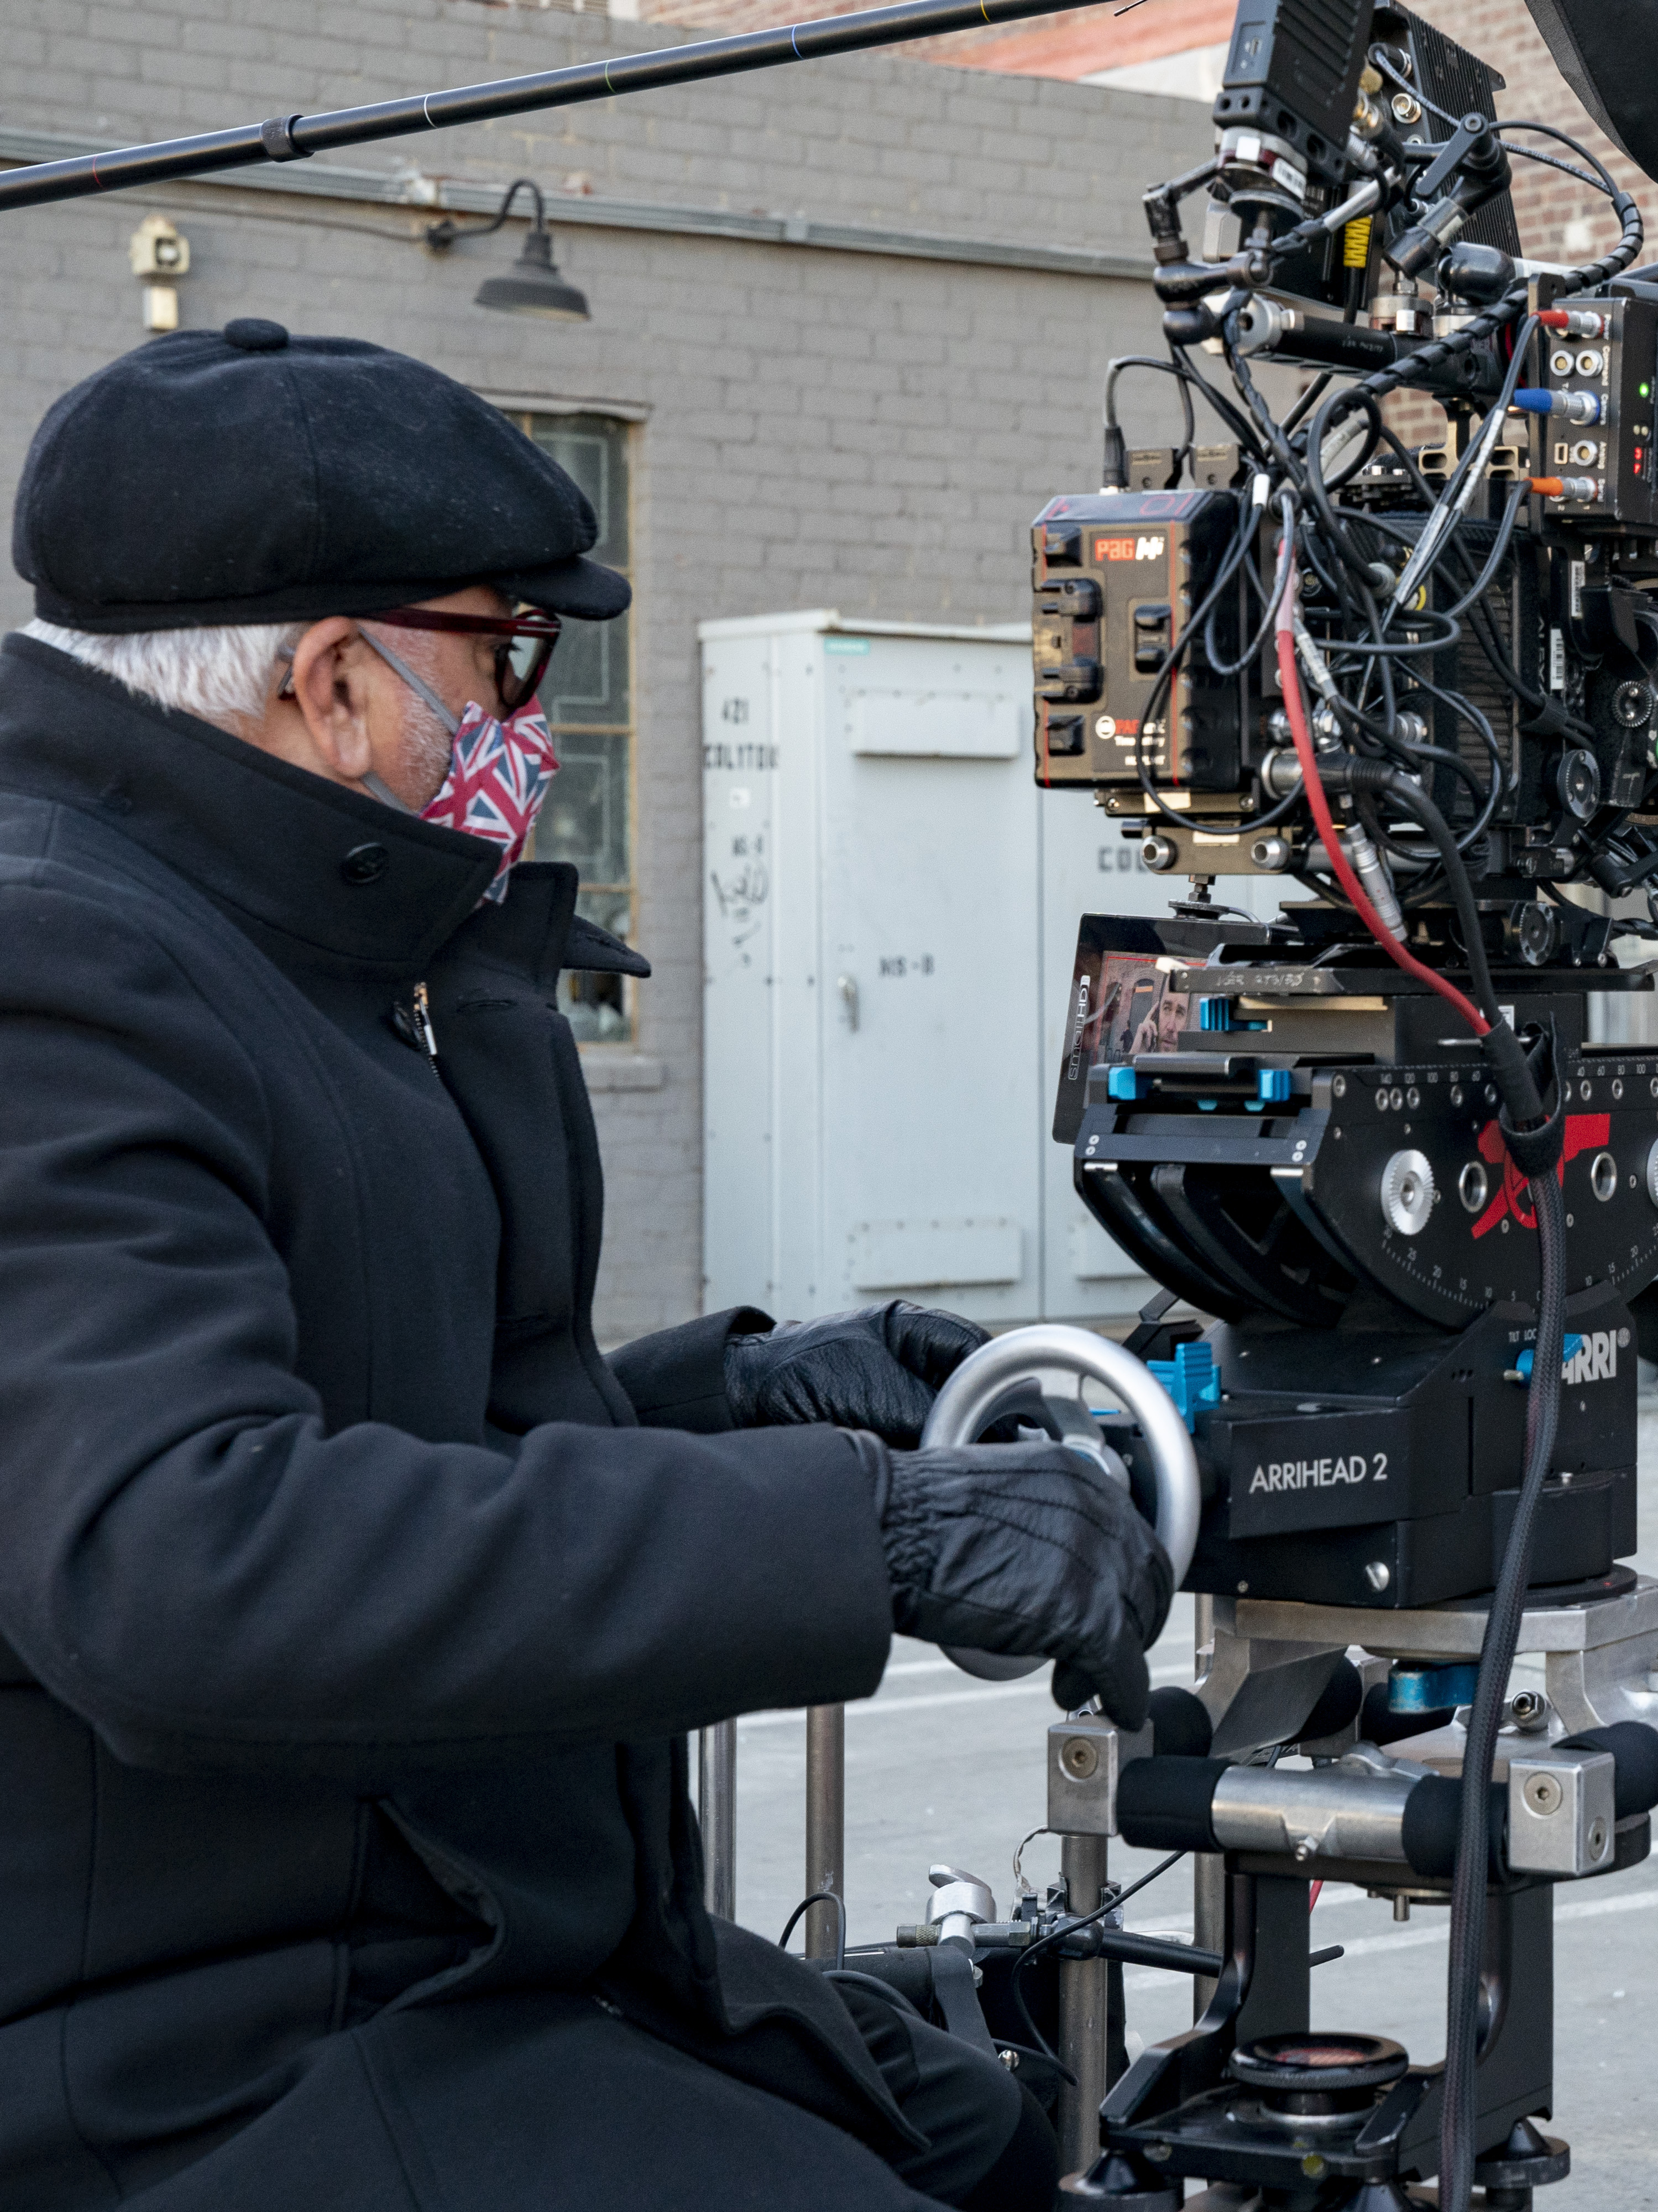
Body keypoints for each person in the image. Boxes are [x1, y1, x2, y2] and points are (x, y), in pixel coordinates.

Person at [0, 322, 1168, 2210]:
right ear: (331, 685)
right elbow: (180, 1564)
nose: (527, 720)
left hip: (489, 1936)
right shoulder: (55, 971)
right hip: (205, 2045)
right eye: (502, 655)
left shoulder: (313, 941)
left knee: (998, 2131)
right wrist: (855, 1533)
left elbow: (407, 1426)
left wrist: (740, 1396)